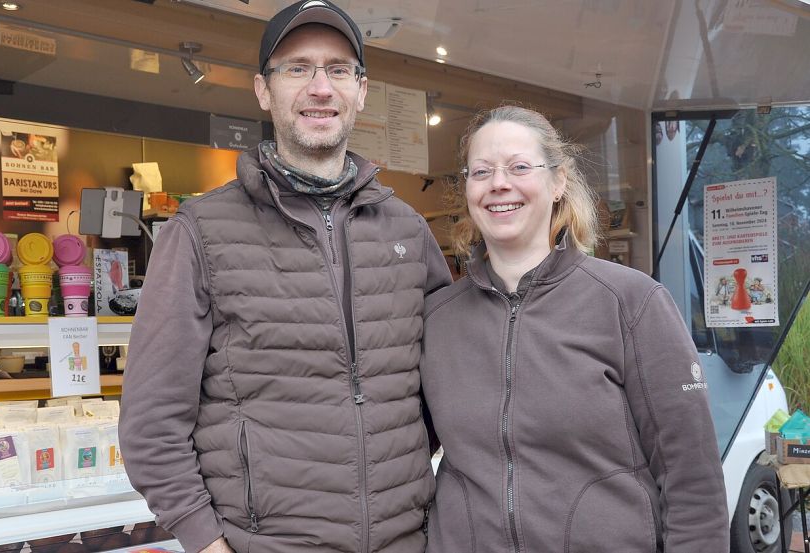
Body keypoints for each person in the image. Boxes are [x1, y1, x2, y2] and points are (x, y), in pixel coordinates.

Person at [119, 2, 451, 552]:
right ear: (262, 90)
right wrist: (205, 540)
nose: (320, 87)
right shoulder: (200, 231)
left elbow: (449, 388)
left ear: (361, 91)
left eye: (338, 69)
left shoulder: (408, 231)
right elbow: (151, 421)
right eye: (297, 68)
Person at [420, 105, 728, 552]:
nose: (498, 184)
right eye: (481, 171)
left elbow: (693, 483)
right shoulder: (437, 318)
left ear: (559, 180)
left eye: (519, 167)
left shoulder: (631, 303)